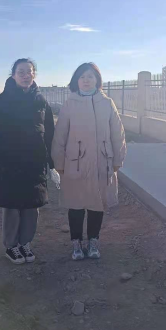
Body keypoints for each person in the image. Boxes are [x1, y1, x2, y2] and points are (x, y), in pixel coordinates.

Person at [0, 58, 55, 265]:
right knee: (12, 205)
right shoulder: (2, 101)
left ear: (34, 74)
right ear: (13, 75)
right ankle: (11, 246)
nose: (25, 75)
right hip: (11, 162)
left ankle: (25, 243)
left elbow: (50, 132)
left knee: (32, 205)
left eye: (29, 71)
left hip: (35, 162)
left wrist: (52, 160)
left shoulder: (40, 100)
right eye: (21, 72)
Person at [52, 63, 126, 260]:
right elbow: (60, 135)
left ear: (97, 80)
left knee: (97, 204)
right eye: (82, 77)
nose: (86, 80)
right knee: (75, 204)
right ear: (76, 81)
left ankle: (93, 241)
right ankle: (76, 243)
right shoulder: (70, 103)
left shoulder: (107, 103)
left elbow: (117, 133)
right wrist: (59, 162)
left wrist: (118, 158)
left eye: (90, 76)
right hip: (75, 163)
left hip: (102, 162)